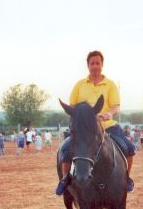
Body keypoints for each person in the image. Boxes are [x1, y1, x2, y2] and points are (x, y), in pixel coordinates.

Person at [56, 50, 135, 195]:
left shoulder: (110, 85)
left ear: (102, 65)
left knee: (128, 147)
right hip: (84, 129)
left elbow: (116, 105)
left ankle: (127, 178)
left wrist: (109, 113)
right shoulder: (79, 85)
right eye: (92, 63)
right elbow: (72, 105)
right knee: (66, 150)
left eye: (97, 63)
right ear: (88, 66)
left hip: (107, 126)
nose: (95, 66)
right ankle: (65, 178)